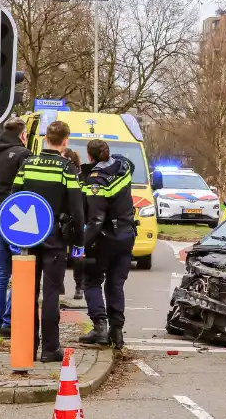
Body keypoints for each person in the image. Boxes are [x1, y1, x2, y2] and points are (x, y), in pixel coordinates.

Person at [10, 120, 85, 362]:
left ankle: (27, 345)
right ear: (65, 141)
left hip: (29, 238)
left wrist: (14, 235)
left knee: (28, 293)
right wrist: (78, 242)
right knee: (51, 293)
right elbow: (76, 209)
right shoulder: (66, 168)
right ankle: (50, 348)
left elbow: (15, 197)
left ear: (45, 139)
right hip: (55, 238)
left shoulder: (28, 164)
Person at [77, 139, 137, 348]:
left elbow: (95, 219)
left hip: (104, 239)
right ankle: (117, 332)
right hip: (127, 235)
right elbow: (128, 162)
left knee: (92, 281)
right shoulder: (124, 167)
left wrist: (82, 244)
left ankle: (100, 327)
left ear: (90, 155)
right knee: (115, 284)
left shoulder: (96, 181)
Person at [0, 118, 32, 338]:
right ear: (23, 134)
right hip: (16, 218)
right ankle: (9, 321)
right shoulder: (23, 155)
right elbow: (25, 187)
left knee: (0, 274)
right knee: (20, 272)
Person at [62, 147, 87, 301]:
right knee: (59, 254)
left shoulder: (83, 177)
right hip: (63, 220)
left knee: (77, 256)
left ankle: (80, 286)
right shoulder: (61, 174)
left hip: (78, 222)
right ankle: (59, 283)